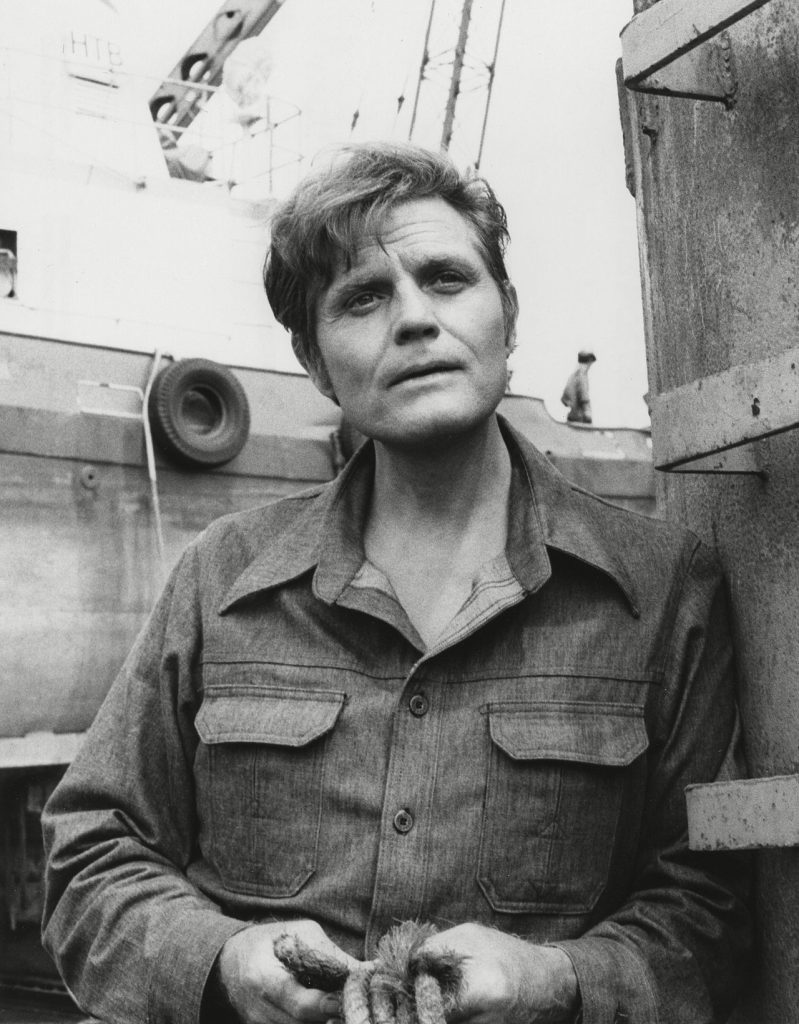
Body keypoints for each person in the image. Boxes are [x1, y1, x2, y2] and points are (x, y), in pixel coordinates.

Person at [42, 142, 751, 1024]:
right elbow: (92, 856)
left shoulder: (663, 591)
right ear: (312, 360)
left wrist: (555, 980)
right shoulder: (219, 578)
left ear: (508, 316)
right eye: (362, 297)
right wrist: (222, 962)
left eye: (446, 278)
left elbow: (716, 906)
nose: (414, 319)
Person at [561, 350, 596, 423]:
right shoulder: (582, 375)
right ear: (589, 361)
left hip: (572, 417)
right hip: (580, 418)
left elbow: (564, 399)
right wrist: (587, 413)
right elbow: (584, 396)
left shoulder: (573, 376)